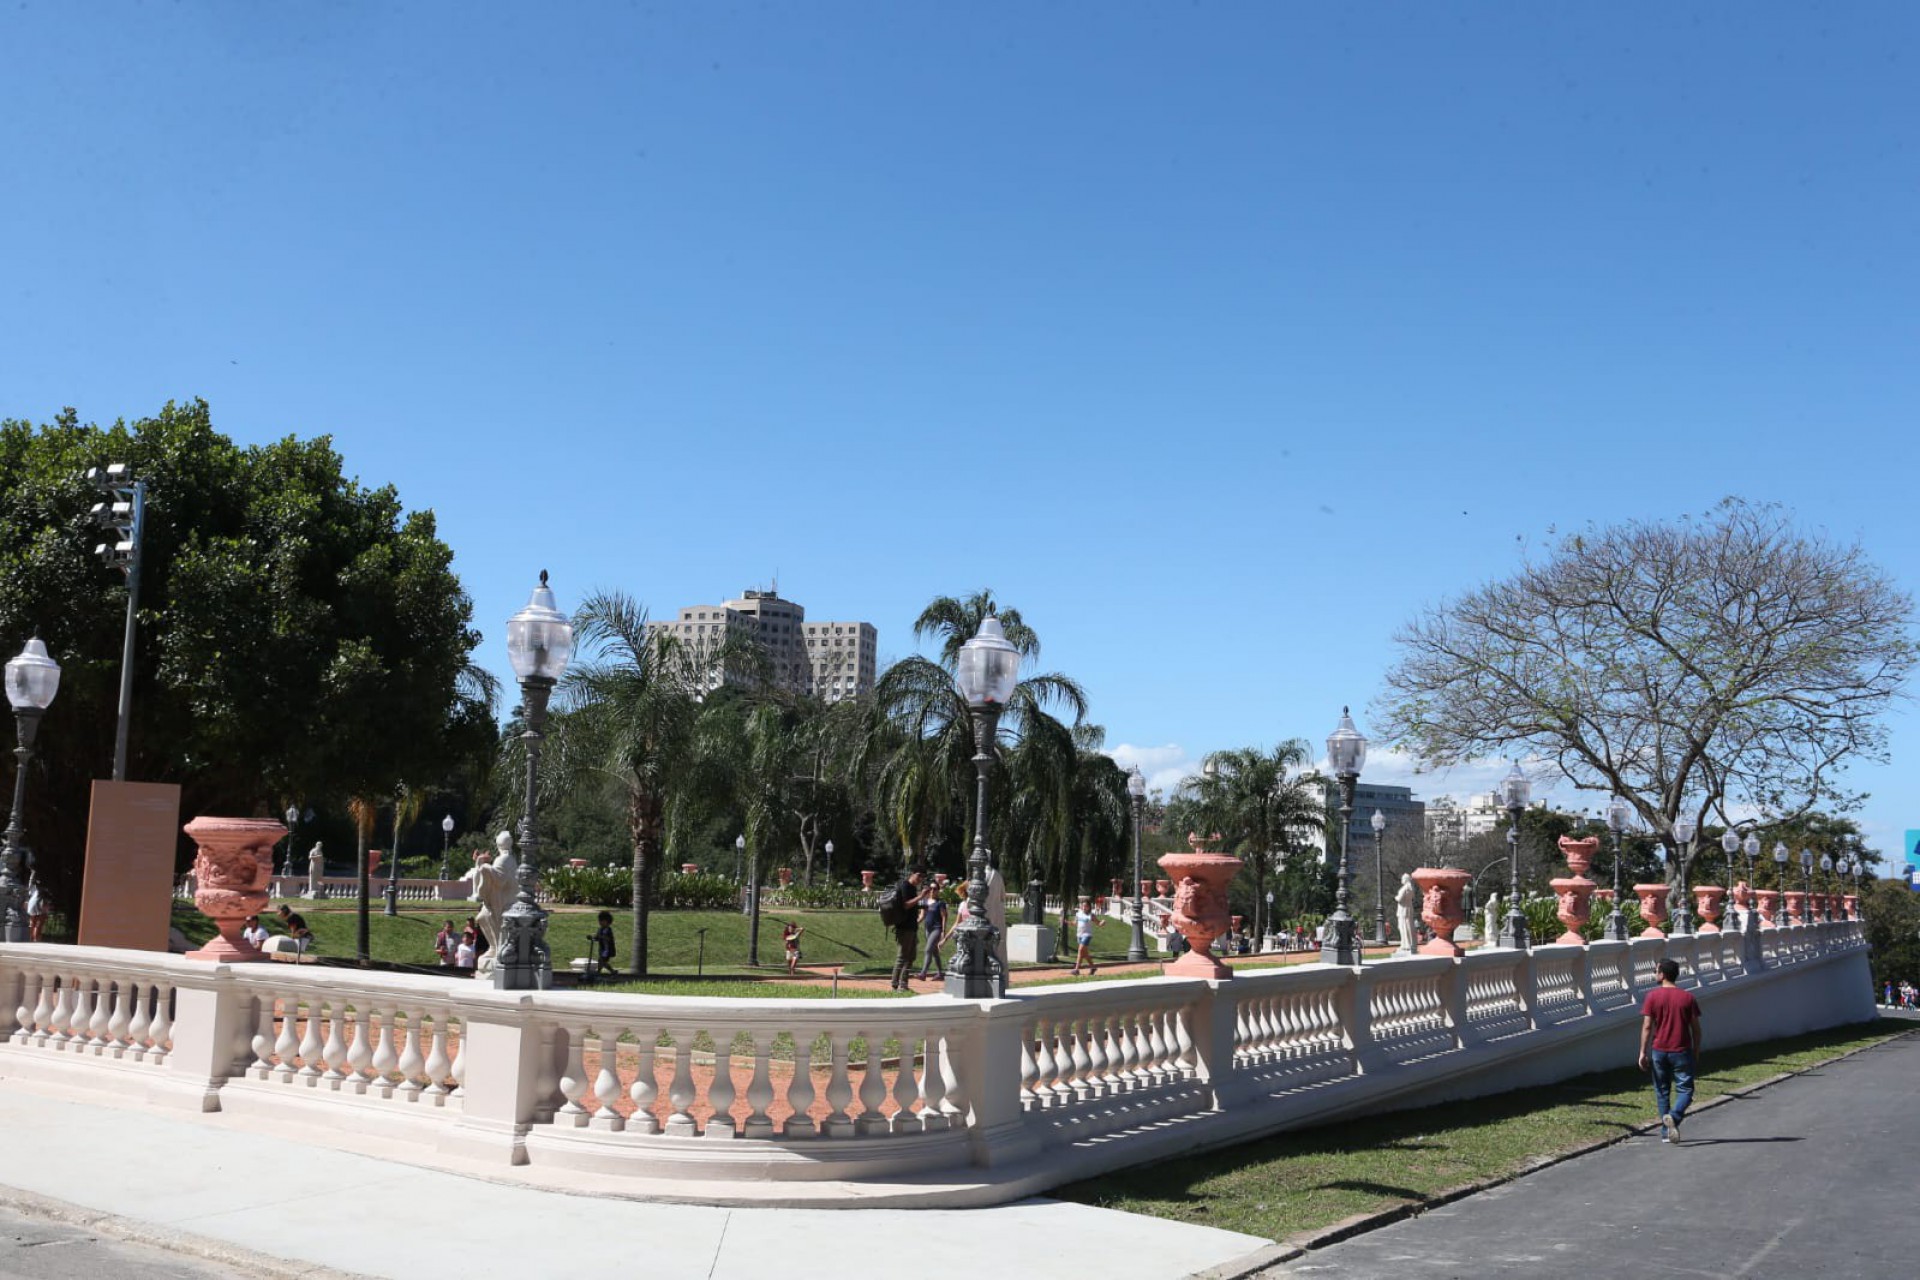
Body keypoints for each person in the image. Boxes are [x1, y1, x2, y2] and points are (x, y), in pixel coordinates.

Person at [1638, 956, 1703, 1143]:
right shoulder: (1687, 998)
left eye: (1656, 971)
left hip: (1659, 1049)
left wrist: (1642, 1051)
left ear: (1663, 974)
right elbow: (1696, 1029)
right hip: (1681, 1050)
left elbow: (1647, 1027)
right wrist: (1696, 1050)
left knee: (1662, 1090)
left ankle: (1666, 1133)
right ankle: (1673, 1118)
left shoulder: (1652, 997)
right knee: (1686, 1090)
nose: (1654, 974)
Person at [887, 868, 924, 991]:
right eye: (919, 875)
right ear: (912, 874)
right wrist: (921, 896)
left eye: (922, 877)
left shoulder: (912, 888)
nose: (920, 879)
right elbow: (906, 905)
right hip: (904, 927)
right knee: (902, 956)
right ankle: (894, 984)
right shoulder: (905, 886)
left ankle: (904, 984)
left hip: (912, 926)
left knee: (911, 957)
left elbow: (912, 906)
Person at [917, 884, 947, 979]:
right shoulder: (925, 902)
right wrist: (914, 923)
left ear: (938, 890)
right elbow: (922, 916)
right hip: (927, 930)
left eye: (935, 889)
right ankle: (940, 973)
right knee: (934, 952)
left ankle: (923, 973)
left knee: (928, 950)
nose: (932, 890)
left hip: (936, 929)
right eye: (931, 889)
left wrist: (943, 931)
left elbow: (944, 917)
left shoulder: (940, 903)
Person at [1072, 896, 1097, 976]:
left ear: (1089, 907)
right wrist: (1066, 922)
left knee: (1080, 950)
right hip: (1079, 935)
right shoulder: (1078, 914)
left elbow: (1098, 923)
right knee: (1085, 954)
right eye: (1082, 906)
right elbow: (1074, 923)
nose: (1084, 907)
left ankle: (1076, 969)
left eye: (1086, 906)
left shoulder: (1091, 915)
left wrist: (1102, 923)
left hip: (1087, 935)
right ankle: (1093, 967)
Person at [591, 910, 616, 976]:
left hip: (607, 950)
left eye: (602, 921)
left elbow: (609, 939)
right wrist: (593, 938)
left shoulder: (608, 930)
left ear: (607, 922)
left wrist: (602, 937)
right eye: (600, 921)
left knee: (602, 961)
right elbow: (597, 937)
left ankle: (611, 971)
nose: (600, 923)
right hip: (602, 950)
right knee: (601, 961)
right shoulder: (600, 929)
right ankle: (601, 971)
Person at [25, 876, 48, 942]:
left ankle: (31, 938)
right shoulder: (43, 890)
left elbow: (30, 884)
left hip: (32, 905)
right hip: (39, 906)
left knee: (32, 923)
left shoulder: (33, 888)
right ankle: (36, 939)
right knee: (39, 924)